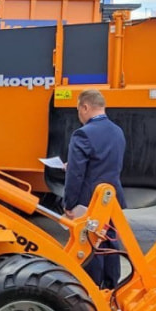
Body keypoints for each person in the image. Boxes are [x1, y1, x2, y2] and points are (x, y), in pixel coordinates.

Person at [64, 89, 127, 289]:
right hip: (112, 199)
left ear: (85, 107)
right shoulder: (117, 131)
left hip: (90, 200)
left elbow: (76, 175)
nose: (79, 115)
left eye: (78, 110)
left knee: (91, 243)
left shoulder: (83, 134)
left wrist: (69, 203)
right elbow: (107, 163)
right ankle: (111, 286)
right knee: (110, 241)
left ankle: (91, 289)